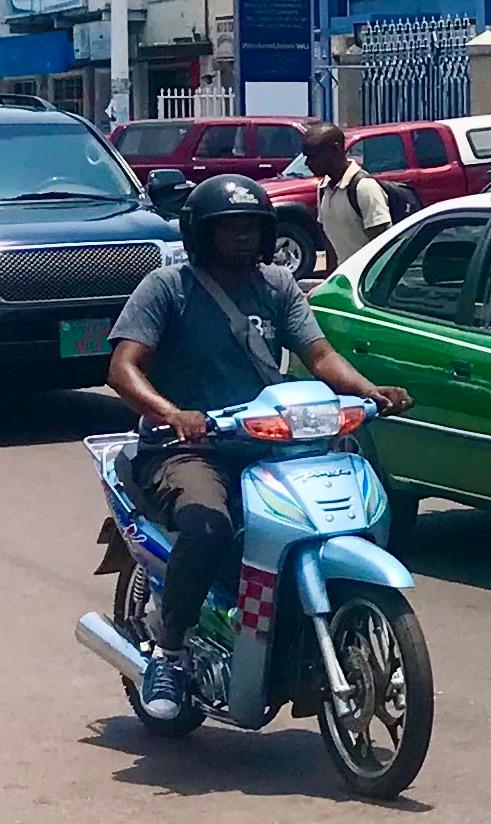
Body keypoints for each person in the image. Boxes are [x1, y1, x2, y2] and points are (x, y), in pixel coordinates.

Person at [106, 174, 413, 721]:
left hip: (269, 443)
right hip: (187, 449)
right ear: (202, 233)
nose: (243, 238)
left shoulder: (277, 285)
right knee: (208, 526)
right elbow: (123, 367)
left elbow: (318, 356)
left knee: (334, 516)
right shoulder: (167, 287)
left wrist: (369, 392)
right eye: (229, 229)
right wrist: (174, 414)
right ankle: (171, 653)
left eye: (251, 227)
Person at [302, 123, 394, 273]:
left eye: (313, 156)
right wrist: (330, 280)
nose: (307, 163)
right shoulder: (323, 189)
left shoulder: (364, 188)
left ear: (335, 150)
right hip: (345, 280)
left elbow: (383, 246)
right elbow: (330, 244)